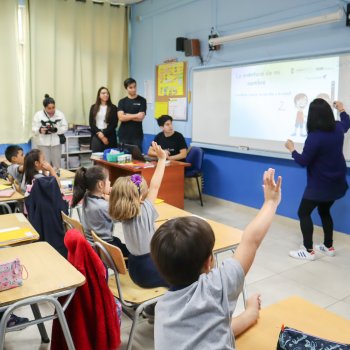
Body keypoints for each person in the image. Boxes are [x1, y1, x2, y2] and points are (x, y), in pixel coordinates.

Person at [150, 168, 282, 350]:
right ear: (208, 262)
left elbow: (209, 332)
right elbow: (251, 241)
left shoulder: (162, 307)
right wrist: (271, 202)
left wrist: (249, 314)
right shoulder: (215, 289)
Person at [285, 99, 350, 260]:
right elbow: (346, 123)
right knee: (324, 210)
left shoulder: (315, 137)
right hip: (337, 183)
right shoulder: (337, 128)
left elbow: (303, 161)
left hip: (320, 185)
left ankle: (308, 251)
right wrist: (342, 110)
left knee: (303, 212)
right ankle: (328, 247)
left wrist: (292, 150)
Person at [109, 141, 167, 288]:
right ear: (140, 197)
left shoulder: (123, 212)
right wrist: (162, 159)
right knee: (180, 274)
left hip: (134, 268)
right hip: (150, 269)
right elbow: (155, 185)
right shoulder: (145, 210)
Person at [71, 165, 129, 257]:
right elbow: (124, 216)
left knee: (118, 240)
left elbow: (103, 198)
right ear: (101, 184)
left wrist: (108, 195)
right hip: (104, 247)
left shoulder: (87, 195)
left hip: (93, 242)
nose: (110, 183)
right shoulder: (104, 207)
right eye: (108, 180)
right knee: (132, 254)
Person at [32, 94, 68, 170]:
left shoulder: (60, 114)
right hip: (43, 144)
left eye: (53, 107)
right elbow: (33, 129)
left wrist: (57, 129)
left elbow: (65, 127)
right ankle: (45, 180)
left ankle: (56, 180)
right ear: (44, 108)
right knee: (44, 165)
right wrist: (40, 130)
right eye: (49, 108)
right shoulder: (38, 115)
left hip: (56, 143)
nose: (51, 110)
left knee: (57, 166)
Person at [117, 78, 147, 152]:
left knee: (137, 159)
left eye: (135, 86)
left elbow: (141, 118)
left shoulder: (142, 100)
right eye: (130, 87)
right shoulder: (122, 101)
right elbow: (121, 118)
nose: (133, 89)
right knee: (122, 158)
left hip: (137, 135)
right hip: (123, 134)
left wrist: (127, 115)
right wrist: (136, 115)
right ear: (126, 88)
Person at [89, 86, 118, 152]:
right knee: (97, 159)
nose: (106, 95)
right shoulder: (93, 107)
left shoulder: (113, 107)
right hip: (97, 135)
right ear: (99, 95)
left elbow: (114, 124)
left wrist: (103, 134)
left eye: (107, 93)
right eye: (103, 93)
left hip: (109, 136)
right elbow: (91, 123)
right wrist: (100, 135)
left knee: (109, 159)